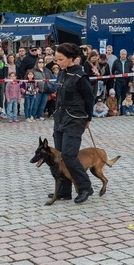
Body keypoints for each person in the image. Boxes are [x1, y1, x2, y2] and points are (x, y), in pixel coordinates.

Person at [52, 42, 95, 204]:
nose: (58, 62)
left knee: (69, 155)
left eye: (61, 59)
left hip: (76, 120)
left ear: (71, 59)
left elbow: (89, 99)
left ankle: (85, 187)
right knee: (59, 156)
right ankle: (64, 191)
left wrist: (88, 118)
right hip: (60, 119)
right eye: (56, 59)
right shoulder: (62, 73)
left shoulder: (80, 76)